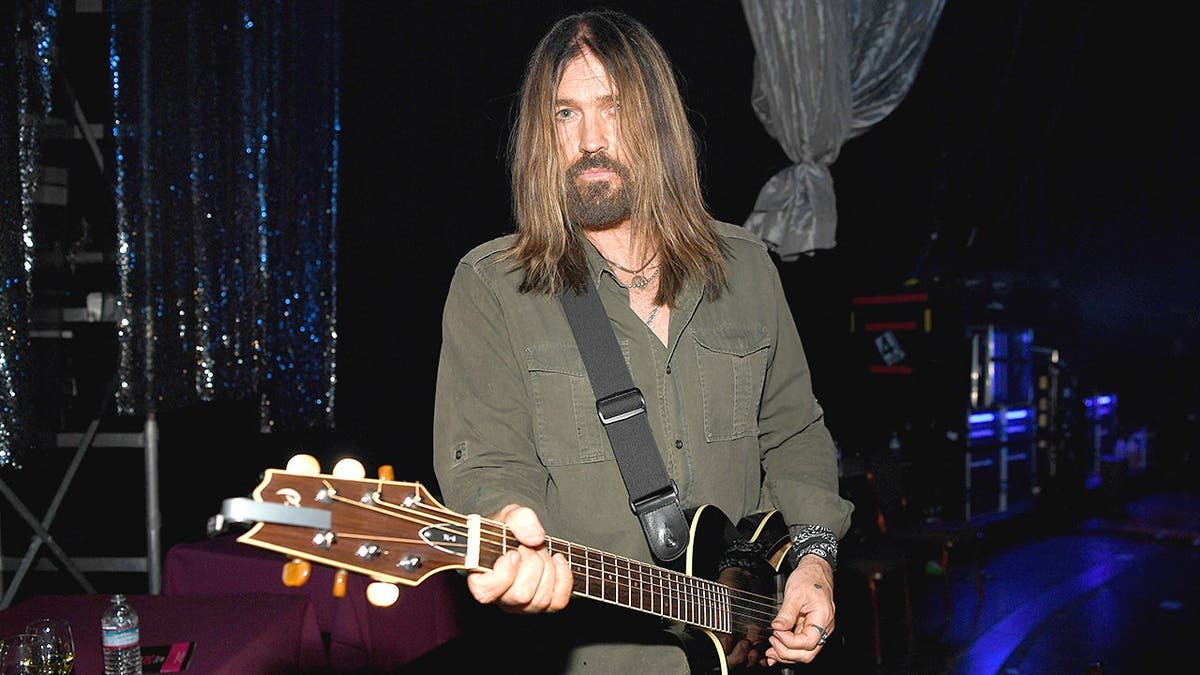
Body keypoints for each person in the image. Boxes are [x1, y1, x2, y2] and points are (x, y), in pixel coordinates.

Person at [432, 8, 853, 673]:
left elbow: (796, 432)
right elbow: (488, 467)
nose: (591, 139)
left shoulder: (746, 267)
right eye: (566, 114)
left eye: (614, 109)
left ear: (658, 122)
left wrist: (816, 561)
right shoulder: (493, 287)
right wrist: (511, 535)